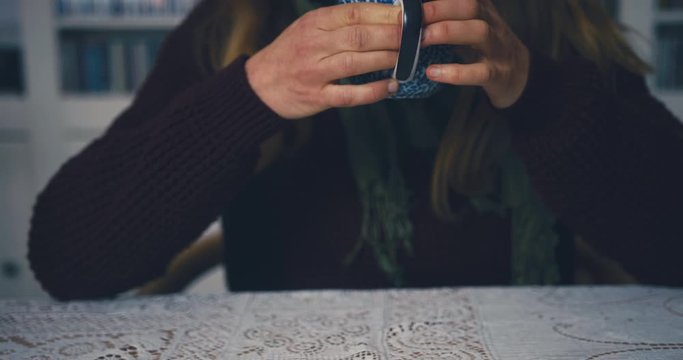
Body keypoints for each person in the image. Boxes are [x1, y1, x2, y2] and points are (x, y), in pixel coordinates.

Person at [28, 0, 683, 301]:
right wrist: (254, 91)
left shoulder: (562, 21)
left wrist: (536, 88)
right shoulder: (233, 24)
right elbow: (69, 258)